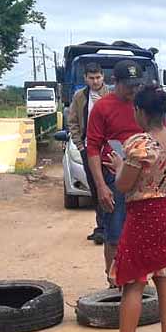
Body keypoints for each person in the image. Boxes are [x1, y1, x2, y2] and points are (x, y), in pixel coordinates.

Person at [101, 86, 166, 332]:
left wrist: (119, 166)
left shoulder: (140, 143)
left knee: (133, 283)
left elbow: (125, 184)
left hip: (143, 215)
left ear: (140, 111)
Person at [86, 60, 145, 283]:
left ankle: (140, 277)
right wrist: (101, 186)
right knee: (115, 232)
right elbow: (92, 147)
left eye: (136, 85)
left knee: (143, 231)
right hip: (114, 176)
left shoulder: (143, 104)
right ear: (115, 82)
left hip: (143, 175)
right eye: (128, 85)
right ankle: (114, 280)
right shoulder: (103, 107)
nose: (133, 89)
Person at [67, 62, 109, 245]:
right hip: (88, 148)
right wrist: (80, 145)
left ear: (103, 77)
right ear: (85, 78)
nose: (95, 81)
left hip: (108, 149)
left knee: (110, 186)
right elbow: (73, 122)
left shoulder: (111, 96)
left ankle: (111, 227)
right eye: (91, 78)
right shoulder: (79, 97)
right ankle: (101, 227)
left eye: (98, 77)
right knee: (95, 188)